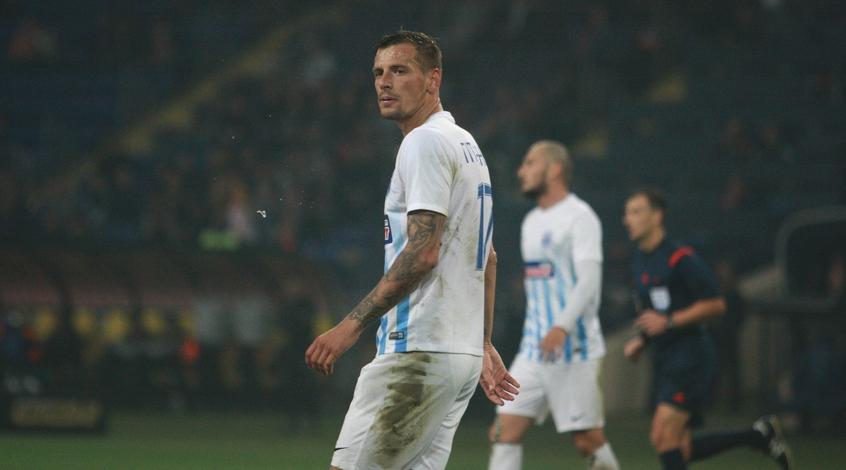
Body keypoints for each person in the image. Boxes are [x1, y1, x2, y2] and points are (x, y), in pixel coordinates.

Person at [304, 30, 519, 470]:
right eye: (378, 72)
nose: (384, 82)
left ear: (432, 79)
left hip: (418, 350)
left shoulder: (423, 142)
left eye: (400, 71)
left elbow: (423, 253)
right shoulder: (466, 144)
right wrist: (480, 342)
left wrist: (350, 325)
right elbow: (488, 256)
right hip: (456, 355)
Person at [622, 188, 793, 470]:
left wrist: (671, 322)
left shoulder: (680, 257)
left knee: (662, 437)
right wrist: (642, 339)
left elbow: (716, 304)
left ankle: (759, 436)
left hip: (690, 357)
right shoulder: (640, 259)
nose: (627, 219)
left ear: (657, 216)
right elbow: (655, 313)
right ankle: (758, 436)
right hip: (668, 358)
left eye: (636, 211)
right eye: (627, 213)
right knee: (682, 448)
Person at [487, 141, 620, 470]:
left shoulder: (580, 217)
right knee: (504, 430)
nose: (521, 171)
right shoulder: (531, 222)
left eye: (530, 163)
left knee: (587, 440)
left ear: (555, 169)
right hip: (533, 349)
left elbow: (589, 281)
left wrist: (561, 325)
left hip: (573, 348)